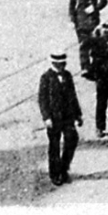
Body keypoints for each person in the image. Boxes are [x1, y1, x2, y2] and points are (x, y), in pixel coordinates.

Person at [37, 51, 83, 186]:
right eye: (60, 63)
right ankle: (55, 173)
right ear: (54, 63)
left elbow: (73, 96)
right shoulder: (46, 78)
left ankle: (64, 168)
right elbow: (42, 99)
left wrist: (78, 114)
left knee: (72, 139)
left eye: (64, 63)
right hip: (53, 118)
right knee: (54, 146)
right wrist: (46, 117)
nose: (63, 65)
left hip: (68, 116)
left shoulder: (68, 75)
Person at [68, 0, 108, 69]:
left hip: (93, 19)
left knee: (95, 43)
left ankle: (96, 66)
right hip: (80, 20)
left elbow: (104, 1)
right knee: (83, 44)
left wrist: (95, 7)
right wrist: (72, 19)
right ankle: (85, 67)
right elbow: (72, 5)